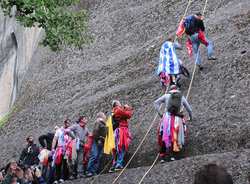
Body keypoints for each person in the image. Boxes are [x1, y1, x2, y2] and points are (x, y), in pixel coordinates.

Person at [154, 85, 192, 162]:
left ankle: (162, 157)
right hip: (177, 118)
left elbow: (156, 103)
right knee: (176, 135)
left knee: (164, 134)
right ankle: (173, 155)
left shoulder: (166, 95)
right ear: (177, 89)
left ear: (170, 90)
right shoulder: (181, 97)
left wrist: (160, 114)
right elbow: (189, 109)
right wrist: (191, 118)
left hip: (166, 118)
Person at [109, 100, 132, 173]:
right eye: (119, 103)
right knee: (122, 146)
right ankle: (119, 164)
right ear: (117, 104)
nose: (120, 103)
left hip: (117, 131)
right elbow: (128, 115)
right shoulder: (118, 110)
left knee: (117, 149)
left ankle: (114, 165)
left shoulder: (114, 112)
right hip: (122, 130)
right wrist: (128, 108)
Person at [86, 112, 107, 177]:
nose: (105, 116)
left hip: (102, 141)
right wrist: (99, 139)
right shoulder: (98, 121)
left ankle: (94, 171)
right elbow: (94, 132)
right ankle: (88, 171)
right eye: (104, 115)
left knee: (98, 157)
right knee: (94, 156)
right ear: (101, 116)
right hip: (96, 141)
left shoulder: (103, 123)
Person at [51, 119, 71, 184]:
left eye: (69, 123)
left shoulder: (70, 131)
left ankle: (63, 178)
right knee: (57, 163)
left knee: (65, 163)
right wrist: (53, 148)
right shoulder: (59, 131)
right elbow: (55, 139)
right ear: (64, 123)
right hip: (60, 148)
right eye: (68, 123)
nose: (69, 125)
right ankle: (57, 178)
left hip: (67, 148)